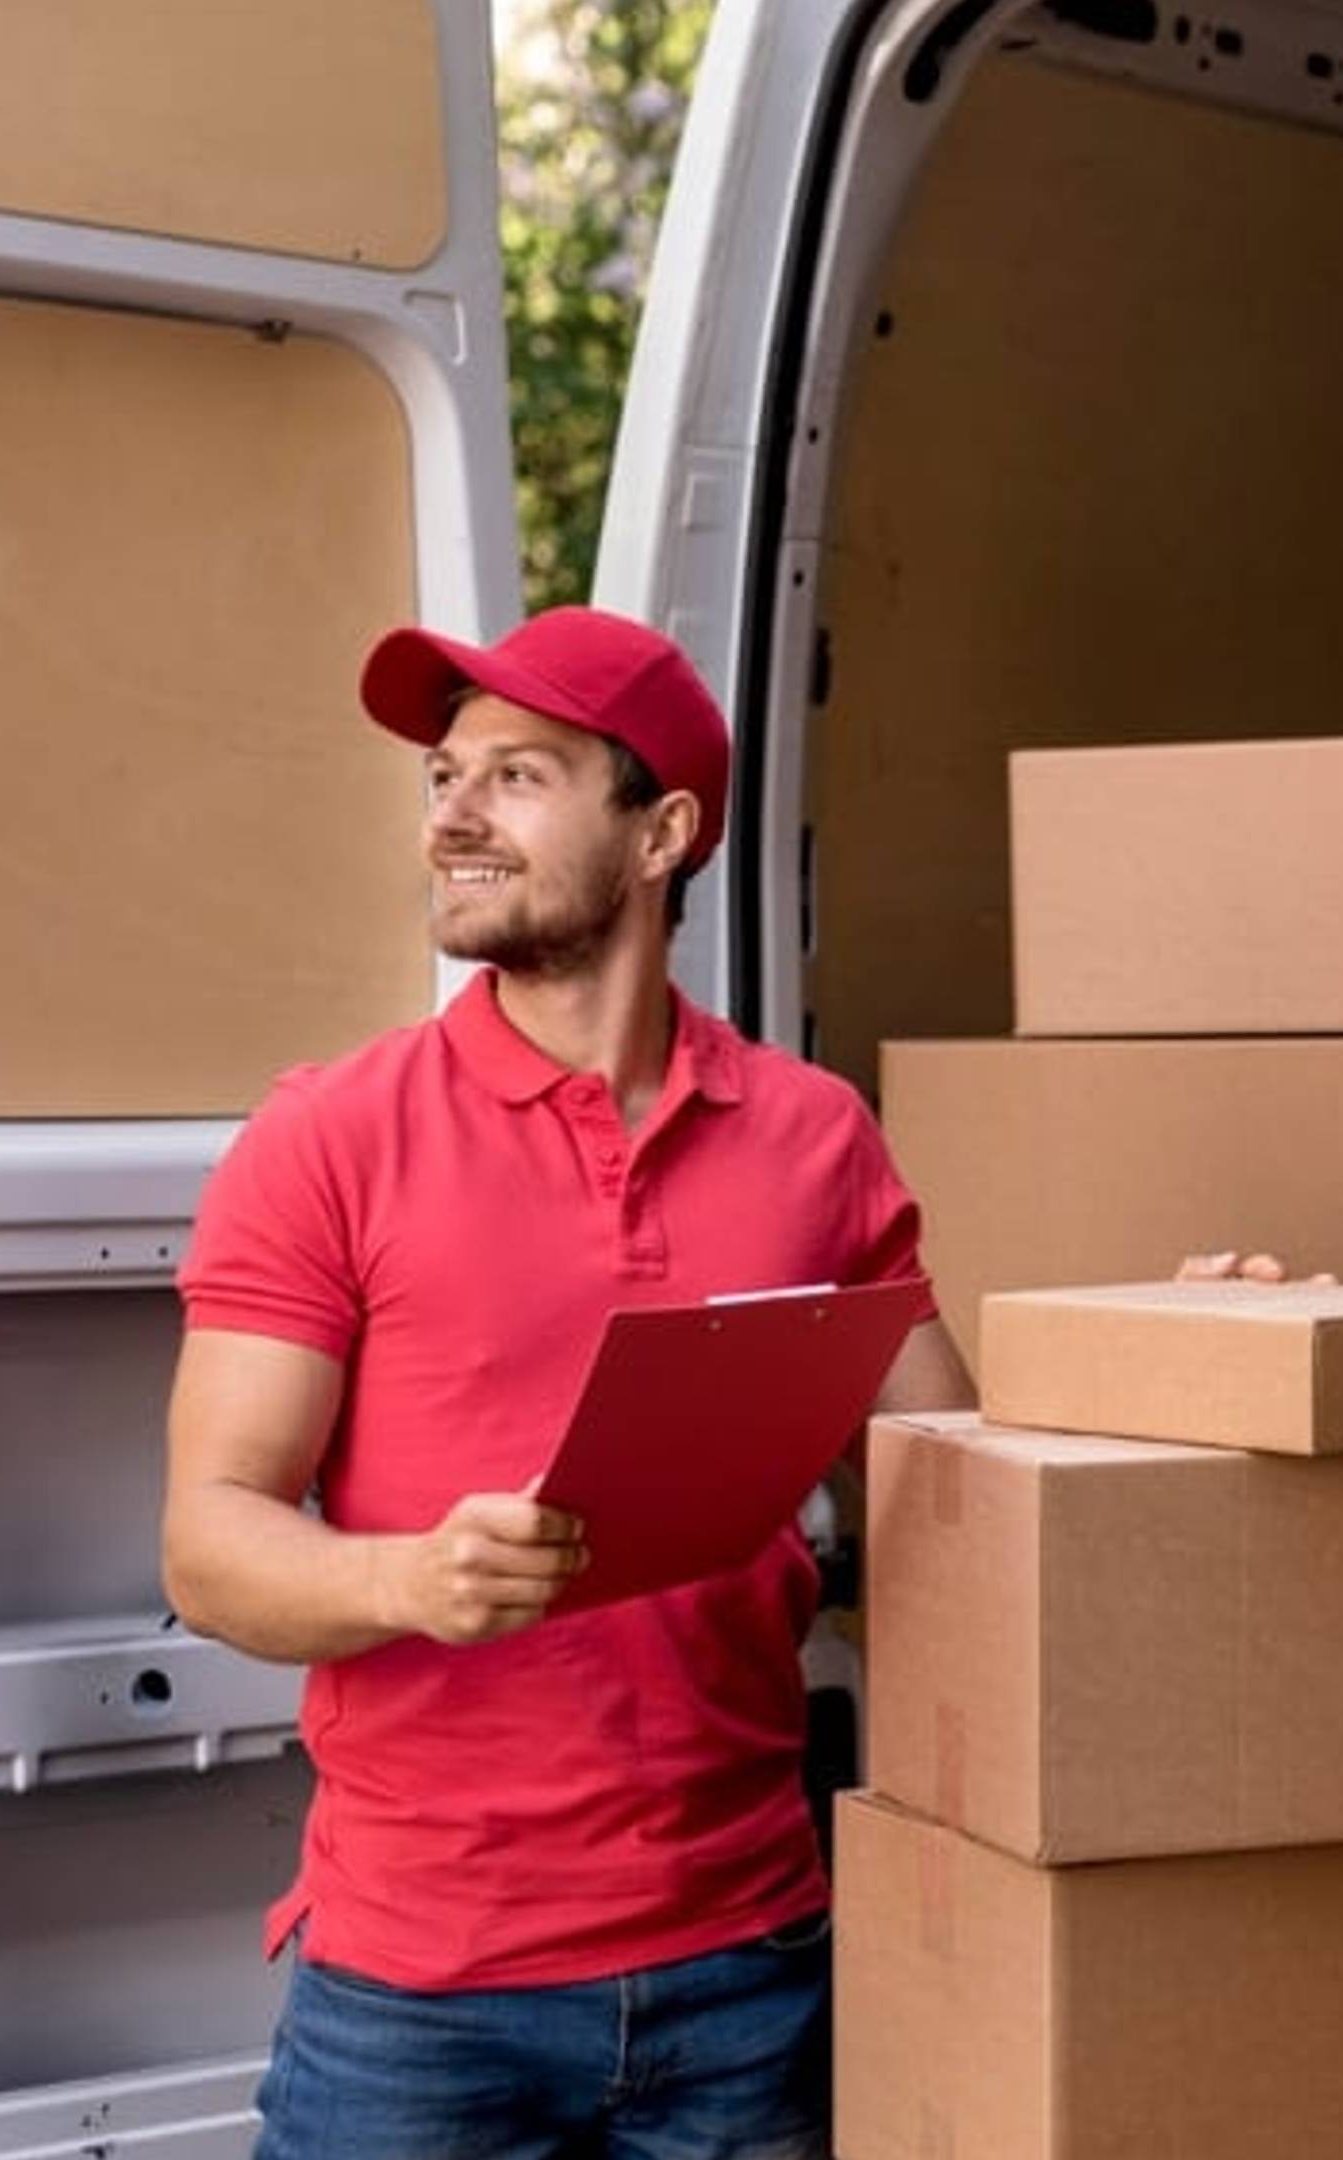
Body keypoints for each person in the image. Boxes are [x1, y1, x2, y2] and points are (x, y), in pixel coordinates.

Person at [160, 605, 969, 2160]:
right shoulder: (331, 1135)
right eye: (443, 776)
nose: (452, 816)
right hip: (420, 1995)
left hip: (749, 1965)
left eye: (516, 777)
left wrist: (1178, 1351)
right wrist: (415, 1577)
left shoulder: (813, 1138)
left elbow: (956, 1479)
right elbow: (208, 1544)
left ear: (661, 831)